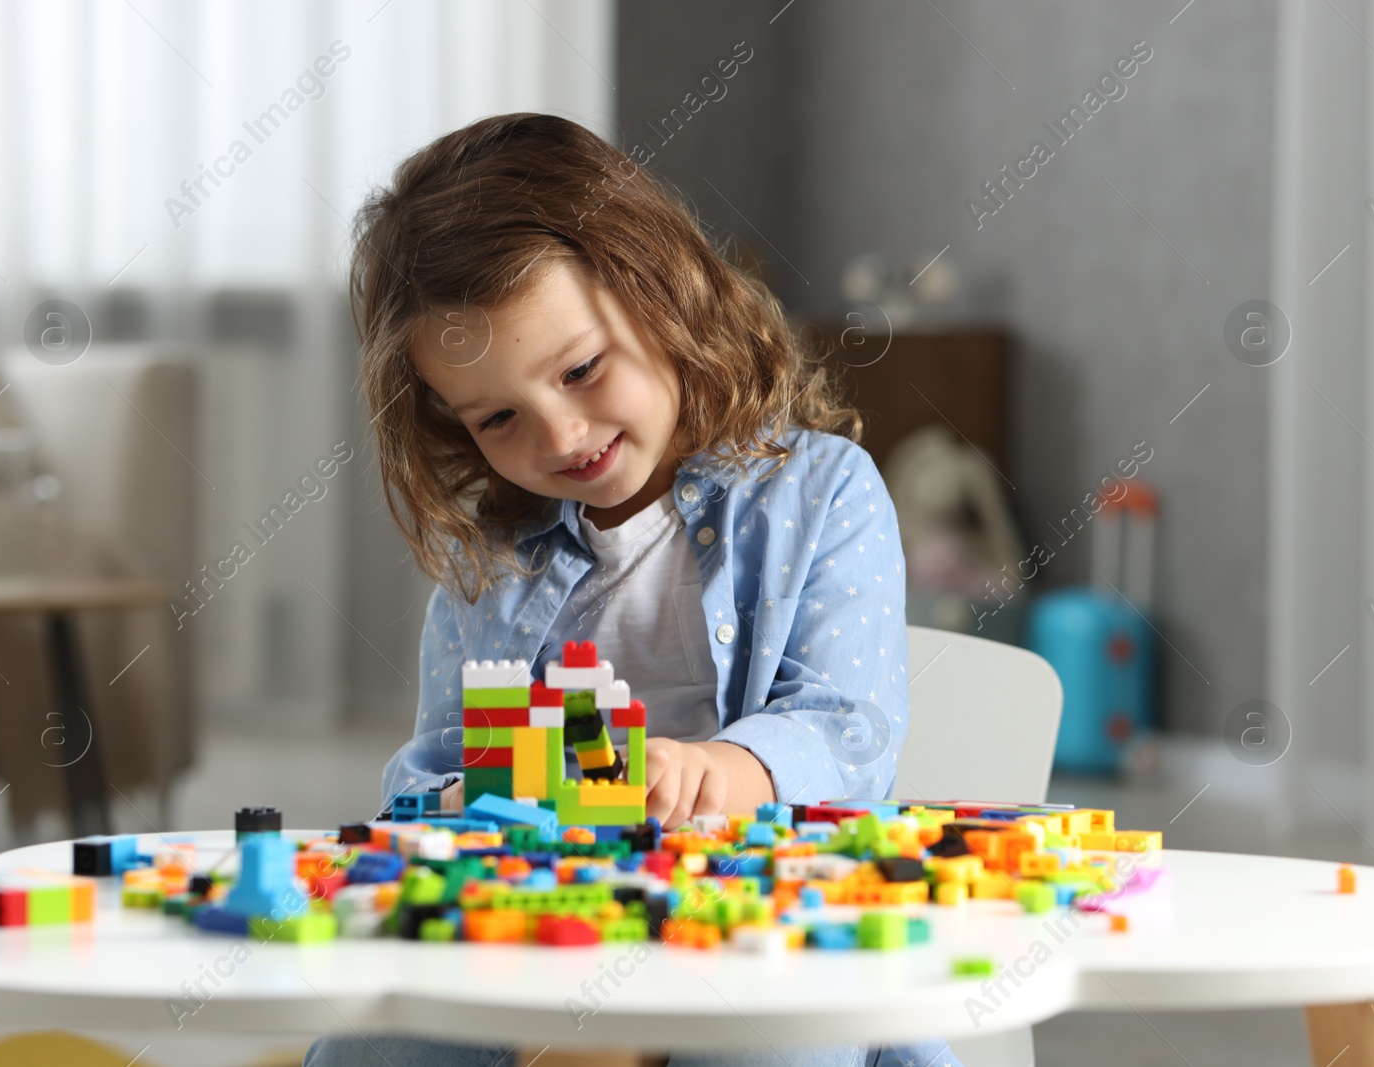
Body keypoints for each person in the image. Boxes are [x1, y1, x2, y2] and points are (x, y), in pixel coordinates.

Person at [305, 113, 961, 1067]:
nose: (561, 435)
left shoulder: (821, 491)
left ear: (660, 291)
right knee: (369, 1052)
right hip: (541, 925)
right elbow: (433, 767)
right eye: (498, 417)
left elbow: (849, 724)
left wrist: (727, 771)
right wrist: (470, 797)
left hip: (767, 915)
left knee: (776, 1051)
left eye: (580, 369)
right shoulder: (493, 560)